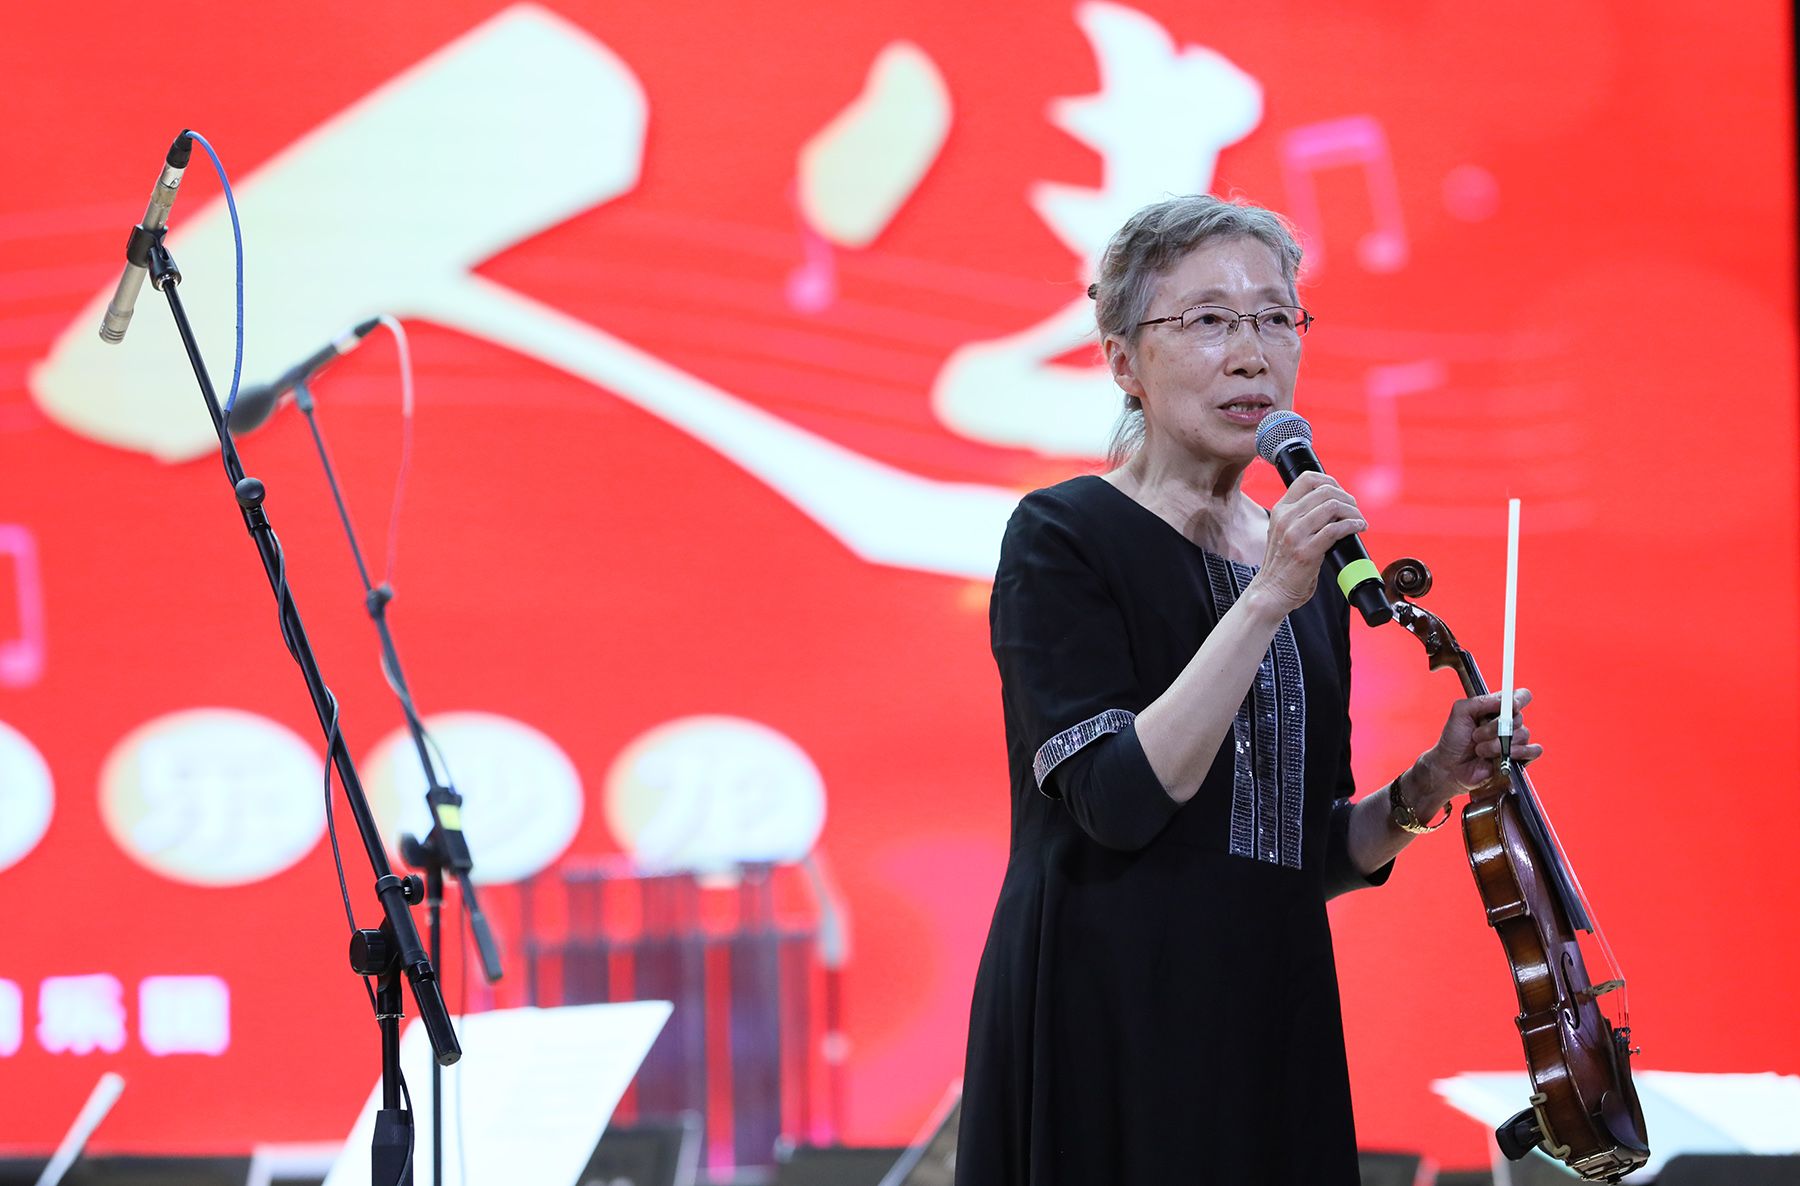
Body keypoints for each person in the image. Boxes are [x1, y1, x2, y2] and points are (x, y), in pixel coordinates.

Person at [953, 194, 1539, 1186]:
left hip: (1271, 1015)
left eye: (1275, 318)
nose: (1251, 354)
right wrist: (1269, 596)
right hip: (1111, 1021)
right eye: (1209, 320)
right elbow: (1120, 800)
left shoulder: (1302, 564)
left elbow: (1304, 855)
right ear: (1124, 361)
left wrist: (1428, 786)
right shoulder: (1066, 537)